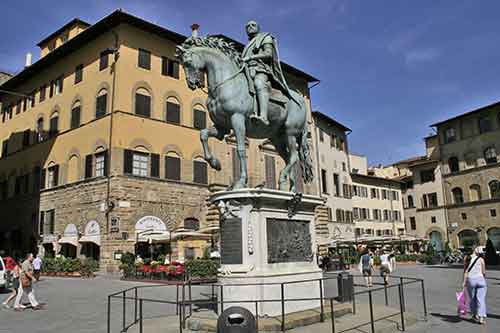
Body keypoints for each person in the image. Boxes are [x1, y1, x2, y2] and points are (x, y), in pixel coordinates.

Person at [241, 20, 297, 126]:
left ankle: (263, 116)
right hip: (248, 70)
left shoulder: (265, 37)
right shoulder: (248, 45)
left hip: (261, 70)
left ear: (258, 27)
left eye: (253, 25)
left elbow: (268, 54)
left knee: (259, 84)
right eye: (247, 26)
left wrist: (251, 57)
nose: (250, 27)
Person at [463, 247, 487, 324]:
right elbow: (483, 272)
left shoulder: (466, 258)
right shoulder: (481, 259)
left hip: (471, 280)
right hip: (481, 280)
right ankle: (481, 318)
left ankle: (474, 315)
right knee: (481, 299)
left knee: (472, 299)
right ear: (474, 251)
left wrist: (464, 282)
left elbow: (465, 271)